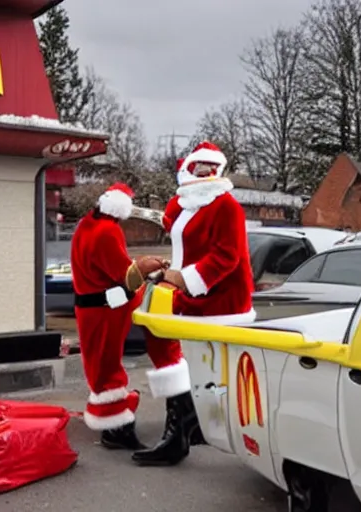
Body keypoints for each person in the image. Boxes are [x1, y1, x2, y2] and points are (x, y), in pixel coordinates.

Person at [133, 141, 255, 466]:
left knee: (204, 364)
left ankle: (184, 430)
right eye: (197, 167)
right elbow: (173, 221)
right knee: (184, 357)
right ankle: (189, 424)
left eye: (208, 168)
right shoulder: (191, 205)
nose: (203, 173)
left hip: (219, 299)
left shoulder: (226, 206)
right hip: (191, 297)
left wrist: (179, 278)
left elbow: (226, 257)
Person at [71, 182, 168, 450]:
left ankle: (112, 422)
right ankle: (117, 428)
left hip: (90, 307)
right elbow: (125, 276)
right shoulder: (108, 231)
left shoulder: (85, 225)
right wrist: (146, 267)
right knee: (107, 365)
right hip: (106, 309)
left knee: (99, 363)